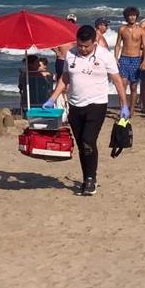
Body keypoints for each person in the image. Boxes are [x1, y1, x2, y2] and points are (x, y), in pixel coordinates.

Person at [43, 25, 129, 196]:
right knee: (83, 145)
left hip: (97, 105)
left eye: (86, 46)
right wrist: (52, 98)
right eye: (80, 45)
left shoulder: (105, 56)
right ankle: (87, 177)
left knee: (88, 140)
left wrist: (124, 105)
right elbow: (65, 77)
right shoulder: (71, 54)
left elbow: (117, 81)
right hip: (75, 106)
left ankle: (91, 179)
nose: (82, 49)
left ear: (94, 43)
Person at [116, 7, 145, 110]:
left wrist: (144, 61)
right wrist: (115, 59)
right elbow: (118, 45)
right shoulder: (122, 29)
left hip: (136, 59)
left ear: (136, 16)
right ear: (126, 17)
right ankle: (123, 110)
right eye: (130, 15)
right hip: (124, 58)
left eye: (134, 15)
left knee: (133, 87)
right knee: (122, 86)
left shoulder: (141, 31)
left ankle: (131, 109)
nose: (132, 17)